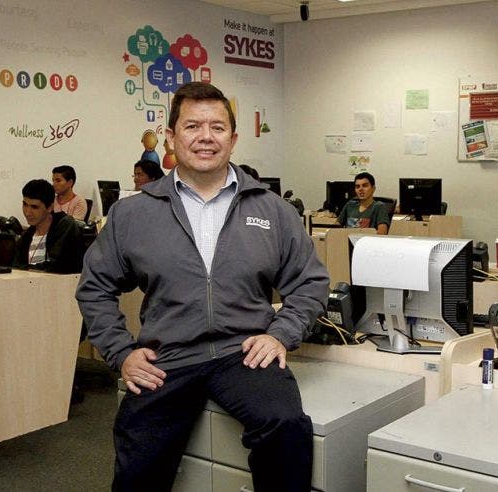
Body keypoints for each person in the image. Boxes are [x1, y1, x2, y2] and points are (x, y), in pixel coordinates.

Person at [76, 82, 329, 491]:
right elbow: (95, 287)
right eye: (193, 126)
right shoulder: (134, 214)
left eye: (217, 126)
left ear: (233, 138)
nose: (206, 137)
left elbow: (310, 281)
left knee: (286, 427)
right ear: (172, 137)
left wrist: (281, 334)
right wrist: (121, 352)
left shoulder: (271, 209)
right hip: (168, 356)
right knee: (137, 465)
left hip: (244, 353)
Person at [13, 179, 85, 274]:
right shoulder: (27, 236)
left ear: (50, 207)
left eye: (34, 207)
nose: (27, 212)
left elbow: (57, 266)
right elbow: (16, 267)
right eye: (25, 205)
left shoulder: (65, 225)